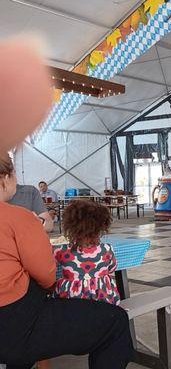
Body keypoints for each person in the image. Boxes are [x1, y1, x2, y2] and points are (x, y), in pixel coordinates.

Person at [0, 153, 133, 369]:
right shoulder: (20, 217)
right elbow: (46, 274)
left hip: (12, 330)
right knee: (115, 323)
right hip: (13, 324)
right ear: (5, 178)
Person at [54, 200, 120, 305]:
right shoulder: (107, 249)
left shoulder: (60, 250)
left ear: (70, 227)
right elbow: (112, 268)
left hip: (71, 301)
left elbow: (49, 270)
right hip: (103, 299)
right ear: (102, 227)